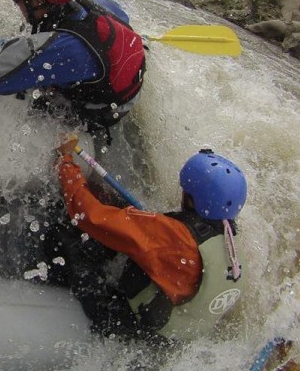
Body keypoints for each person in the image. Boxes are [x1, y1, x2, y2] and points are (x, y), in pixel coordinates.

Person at [47, 139, 247, 342]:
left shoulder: (173, 237)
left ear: (190, 199)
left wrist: (65, 162)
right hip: (184, 328)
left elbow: (88, 215)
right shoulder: (229, 233)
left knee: (69, 243)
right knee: (123, 216)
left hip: (141, 329)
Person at [0, 0, 146, 145]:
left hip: (103, 111)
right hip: (126, 89)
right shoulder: (85, 4)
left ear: (38, 1)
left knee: (20, 97)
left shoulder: (67, 49)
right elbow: (123, 16)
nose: (16, 5)